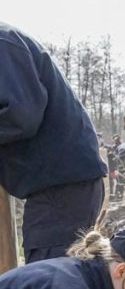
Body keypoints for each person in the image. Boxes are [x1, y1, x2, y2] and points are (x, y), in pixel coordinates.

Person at [0, 22, 108, 262]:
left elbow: (21, 116)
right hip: (61, 187)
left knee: (51, 284)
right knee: (53, 280)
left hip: (63, 189)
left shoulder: (2, 43)